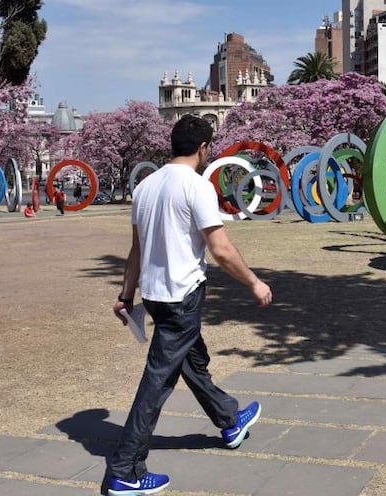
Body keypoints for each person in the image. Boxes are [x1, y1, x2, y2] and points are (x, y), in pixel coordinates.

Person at [106, 115, 272, 496]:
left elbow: (136, 250)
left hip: (155, 295)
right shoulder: (197, 187)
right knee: (157, 381)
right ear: (202, 148)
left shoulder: (146, 187)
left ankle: (229, 419)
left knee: (190, 361)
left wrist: (126, 295)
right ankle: (125, 470)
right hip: (182, 296)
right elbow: (220, 249)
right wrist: (254, 282)